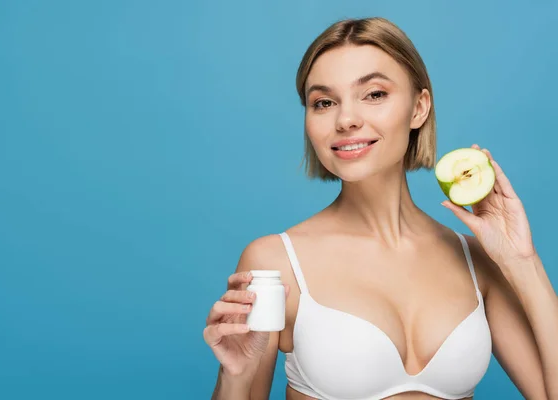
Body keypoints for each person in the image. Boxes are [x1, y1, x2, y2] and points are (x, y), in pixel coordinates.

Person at [203, 17, 558, 400]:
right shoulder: (275, 263)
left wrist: (524, 264)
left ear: (419, 108)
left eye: (373, 94)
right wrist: (234, 377)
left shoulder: (476, 259)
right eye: (323, 102)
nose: (347, 119)